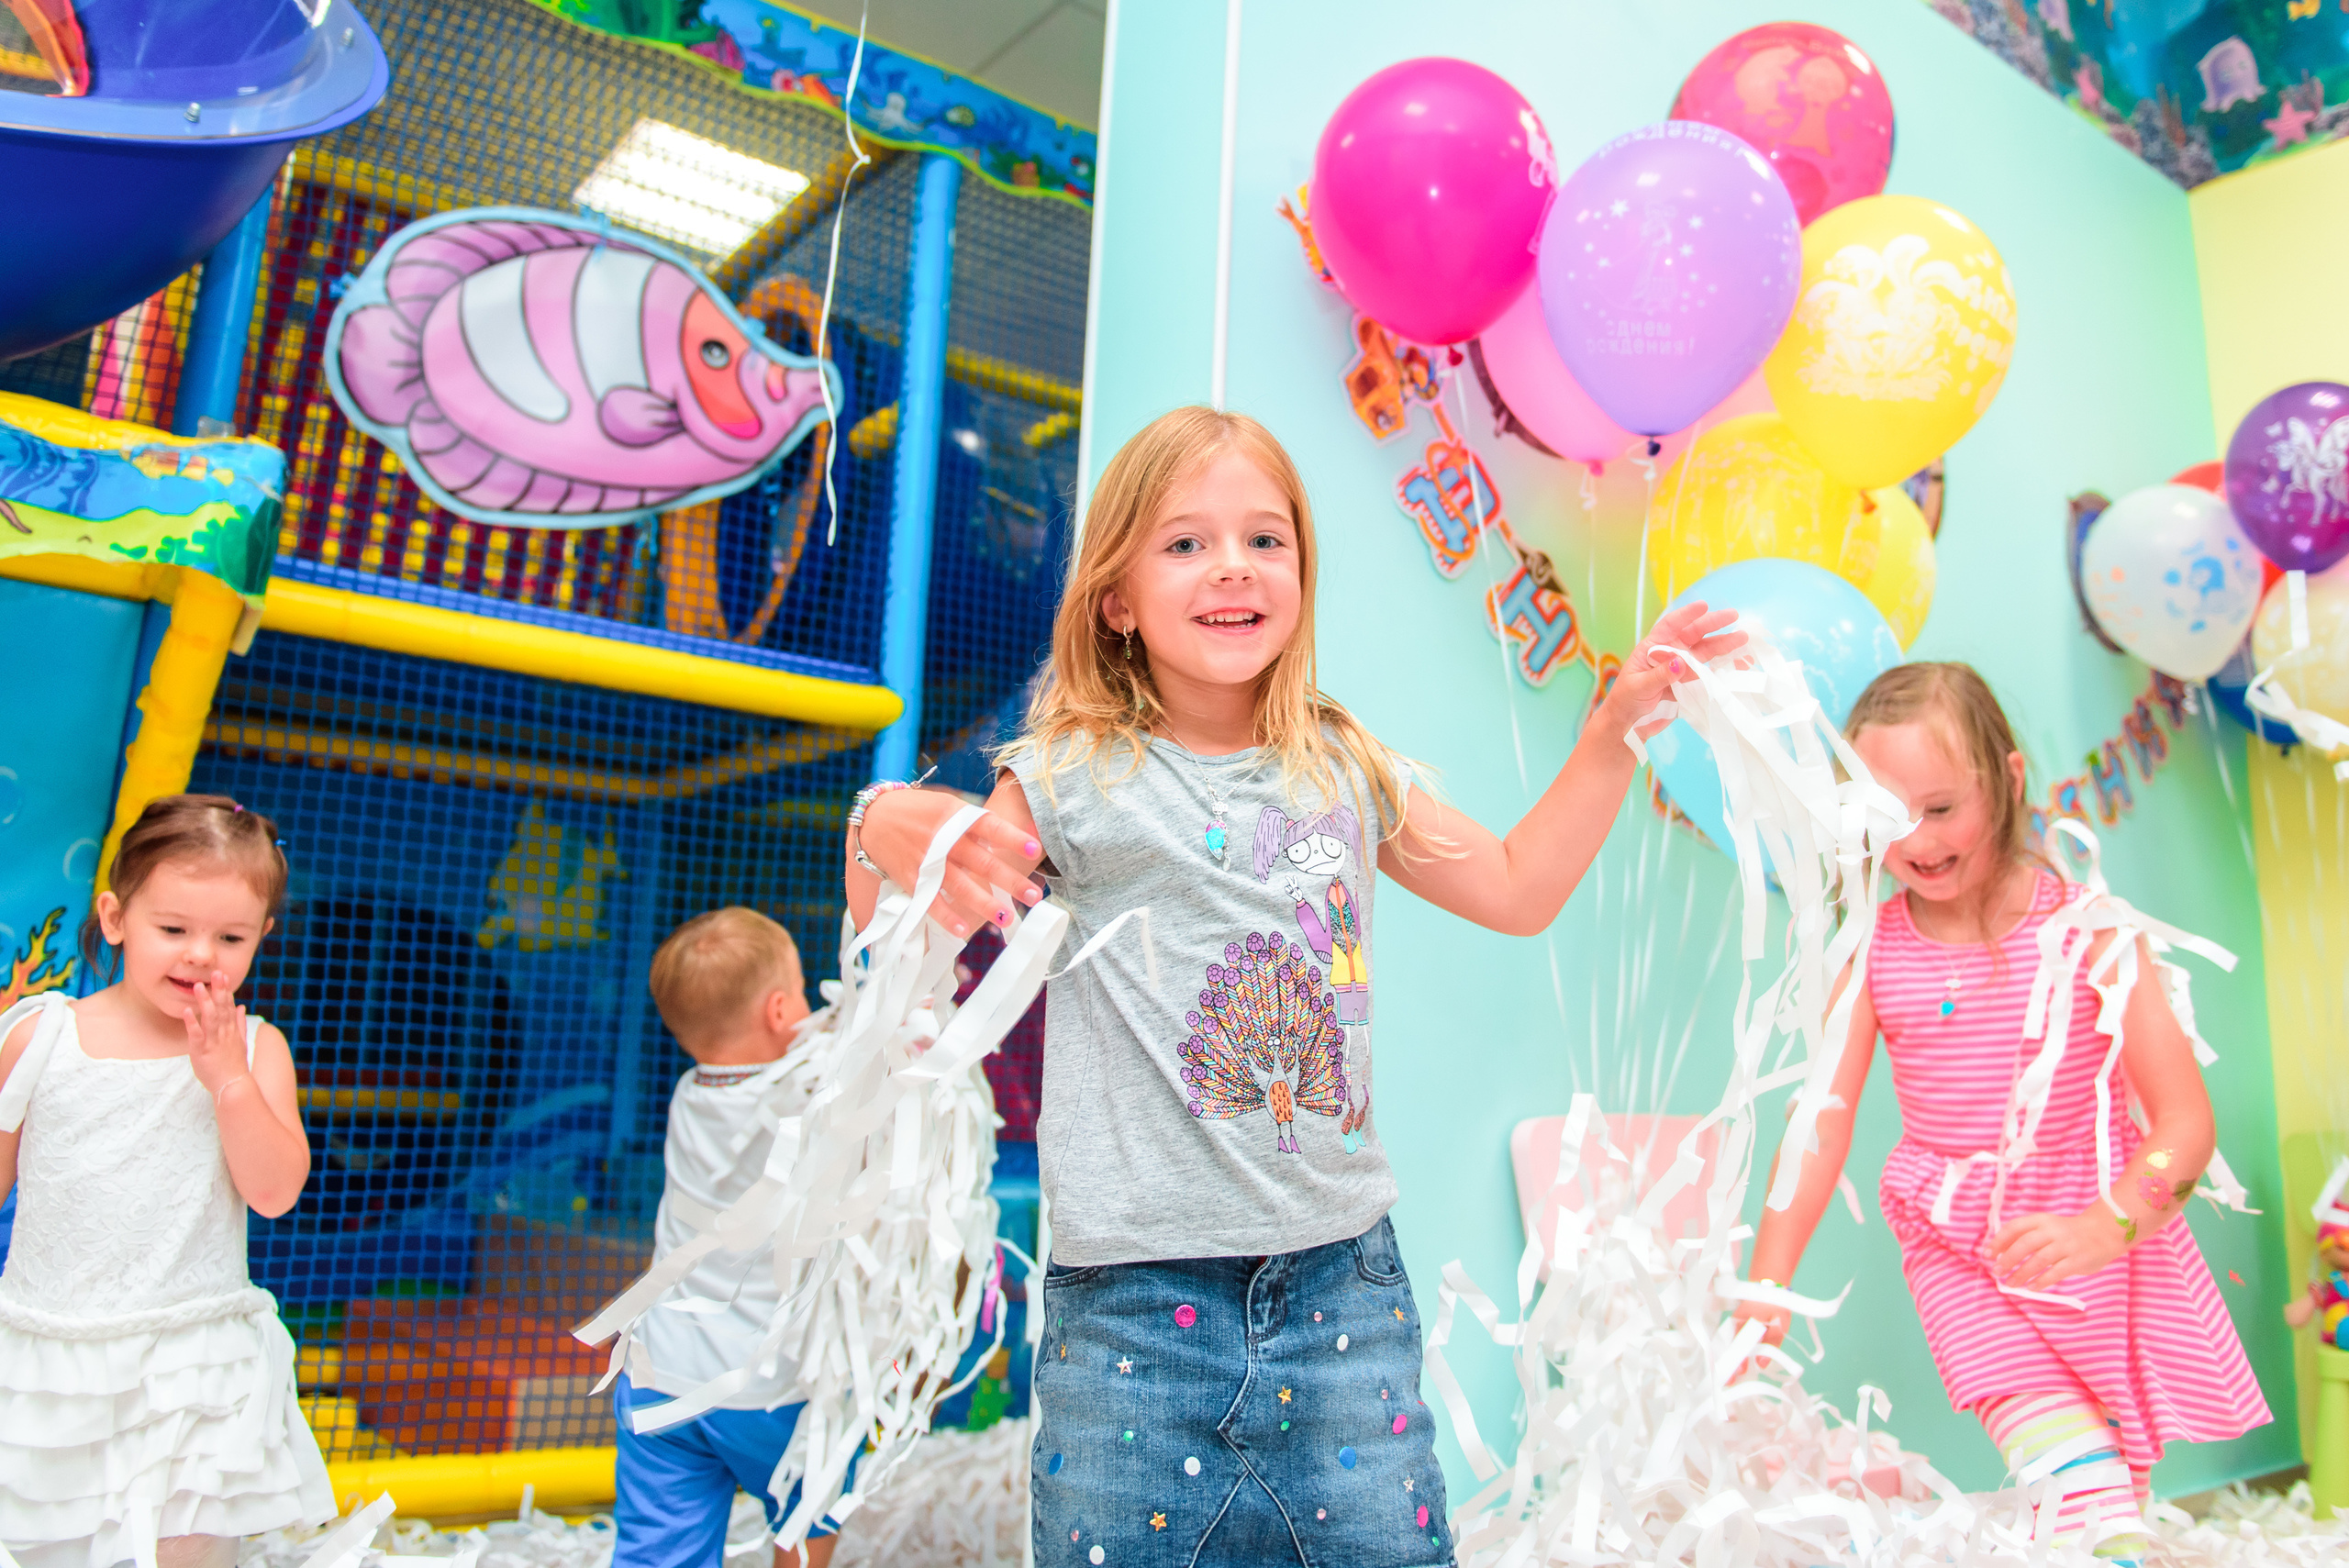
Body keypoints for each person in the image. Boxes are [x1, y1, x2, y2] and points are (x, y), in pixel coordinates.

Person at [845, 406, 1740, 1568]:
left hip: (1343, 1292)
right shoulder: (1066, 777)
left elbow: (1518, 886)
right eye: (1184, 543)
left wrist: (1614, 729)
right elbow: (899, 969)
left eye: (1266, 540)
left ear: (1302, 577)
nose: (1232, 566)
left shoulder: (1343, 764)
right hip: (1128, 1313)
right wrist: (877, 831)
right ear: (1115, 596)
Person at [1734, 663, 2268, 1563]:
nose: (1915, 837)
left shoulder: (2093, 931)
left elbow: (2184, 1121)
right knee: (2076, 1483)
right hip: (1963, 1257)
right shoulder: (1872, 949)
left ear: (2009, 780)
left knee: (2103, 1493)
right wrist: (1767, 1278)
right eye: (1887, 812)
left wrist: (2107, 1225)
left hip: (2094, 1250)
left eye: (1940, 807)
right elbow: (1819, 1116)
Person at [0, 795, 329, 1568]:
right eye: (173, 929)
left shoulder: (257, 1047)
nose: (200, 954)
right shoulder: (42, 1034)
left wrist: (227, 1082)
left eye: (230, 936)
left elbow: (277, 1193)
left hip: (194, 1363)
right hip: (52, 1360)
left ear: (263, 939)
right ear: (115, 919)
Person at [615, 907, 853, 1568]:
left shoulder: (689, 1095)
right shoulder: (803, 1100)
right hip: (768, 1389)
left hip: (660, 1376)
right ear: (781, 1011)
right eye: (804, 991)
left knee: (656, 1545)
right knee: (811, 1506)